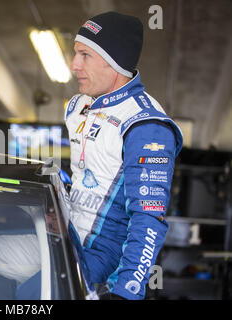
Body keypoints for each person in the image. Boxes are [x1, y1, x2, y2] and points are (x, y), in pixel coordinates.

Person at [64, 11, 183, 300]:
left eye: (85, 55)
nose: (74, 64)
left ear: (114, 63)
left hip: (99, 262)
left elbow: (148, 219)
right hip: (64, 240)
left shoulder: (146, 126)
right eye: (75, 53)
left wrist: (127, 291)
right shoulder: (77, 106)